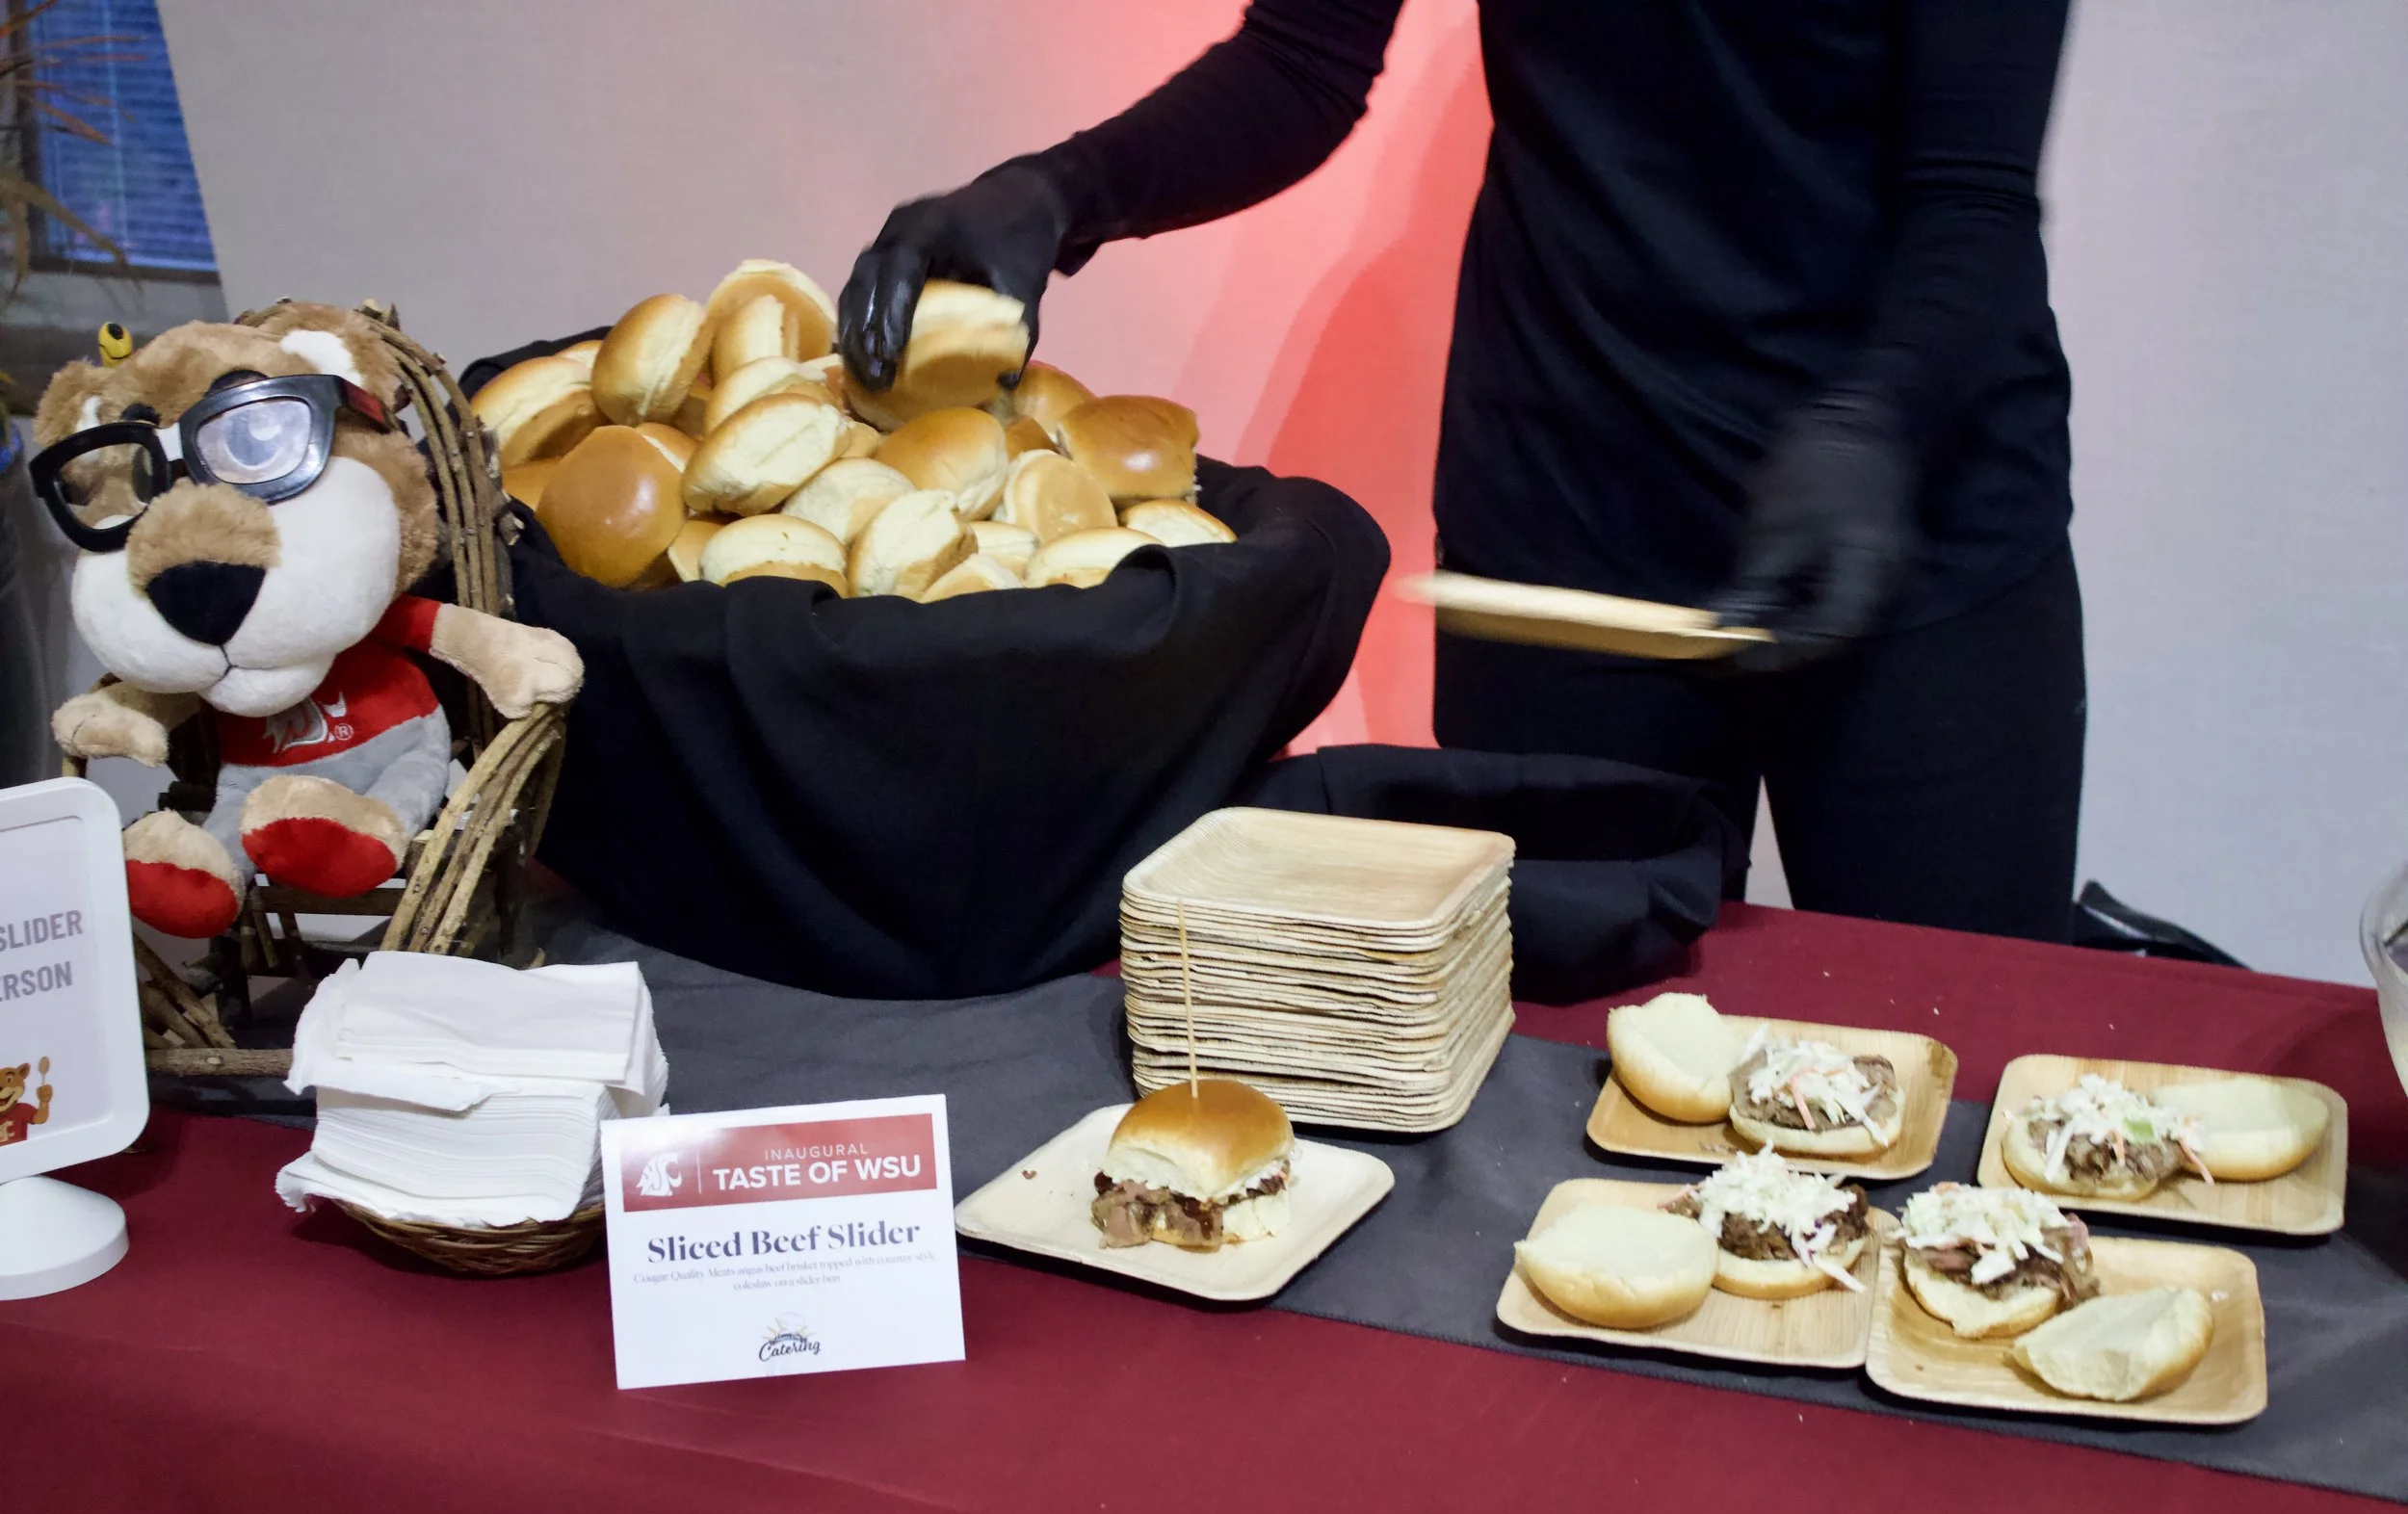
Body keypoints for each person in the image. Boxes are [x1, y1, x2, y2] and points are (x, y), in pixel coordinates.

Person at [839, 1, 2082, 942]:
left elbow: (1971, 192)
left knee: (1964, 1113)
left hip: (1916, 540)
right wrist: (1060, 193)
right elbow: (1303, 62)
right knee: (1553, 1115)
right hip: (1570, 499)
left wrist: (1879, 417)